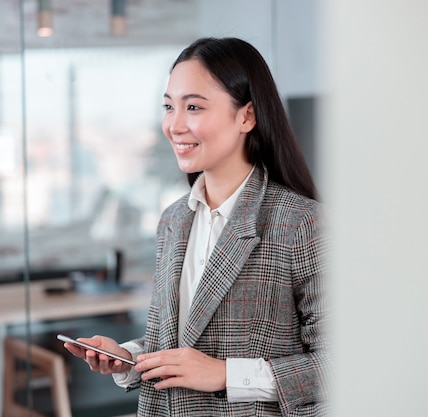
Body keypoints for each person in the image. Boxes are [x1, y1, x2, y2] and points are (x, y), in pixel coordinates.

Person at [63, 37, 329, 416]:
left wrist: (226, 375)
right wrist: (129, 357)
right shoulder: (174, 219)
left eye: (193, 107)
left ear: (246, 116)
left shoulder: (302, 222)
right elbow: (177, 341)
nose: (174, 125)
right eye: (169, 107)